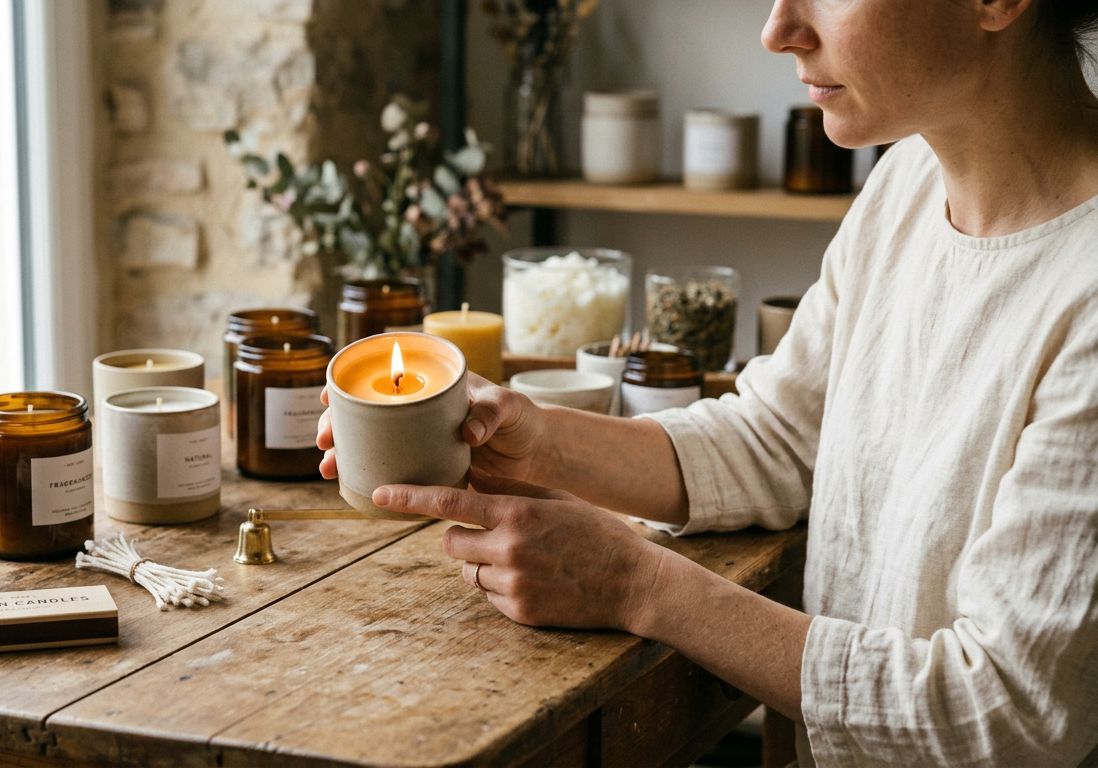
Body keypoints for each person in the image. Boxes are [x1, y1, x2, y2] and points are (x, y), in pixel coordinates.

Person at [318, 0, 1098, 764]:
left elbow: (1005, 714)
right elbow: (779, 438)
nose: (777, 31)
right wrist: (536, 442)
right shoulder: (907, 188)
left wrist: (634, 583)